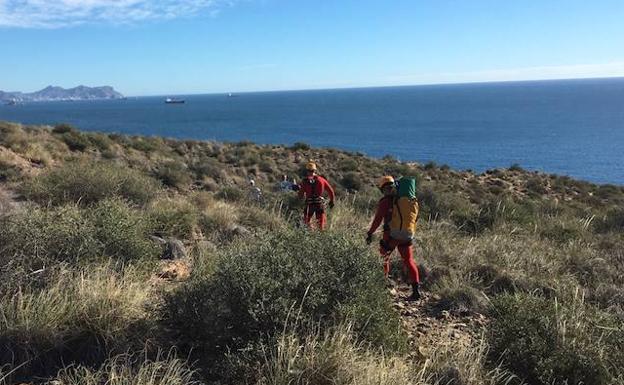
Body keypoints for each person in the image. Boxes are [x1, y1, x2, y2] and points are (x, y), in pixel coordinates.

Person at [366, 176, 421, 300]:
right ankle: (416, 291)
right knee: (409, 260)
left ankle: (383, 285)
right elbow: (415, 217)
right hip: (407, 235)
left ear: (383, 189)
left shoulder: (385, 202)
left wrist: (370, 233)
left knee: (384, 258)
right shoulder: (407, 200)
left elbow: (377, 220)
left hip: (390, 236)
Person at [298, 161, 335, 230]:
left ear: (307, 171)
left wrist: (301, 195)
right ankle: (320, 238)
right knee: (321, 225)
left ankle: (311, 234)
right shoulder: (322, 180)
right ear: (315, 170)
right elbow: (331, 191)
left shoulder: (305, 181)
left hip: (309, 204)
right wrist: (332, 201)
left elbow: (300, 195)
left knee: (306, 223)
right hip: (319, 204)